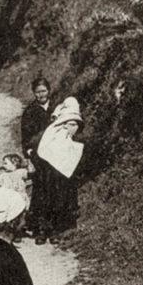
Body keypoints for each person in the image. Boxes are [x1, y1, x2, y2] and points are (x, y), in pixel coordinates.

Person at [32, 97, 84, 245]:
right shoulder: (54, 125)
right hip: (46, 167)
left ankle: (53, 229)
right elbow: (44, 141)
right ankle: (43, 229)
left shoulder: (73, 120)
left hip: (58, 170)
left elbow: (73, 134)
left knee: (56, 198)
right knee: (44, 197)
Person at [21, 77, 52, 240]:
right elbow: (25, 138)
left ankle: (53, 228)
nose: (41, 95)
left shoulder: (56, 109)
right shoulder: (30, 112)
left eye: (44, 91)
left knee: (55, 190)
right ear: (34, 93)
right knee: (40, 190)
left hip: (55, 156)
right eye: (38, 92)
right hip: (39, 156)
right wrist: (29, 157)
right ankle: (39, 228)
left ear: (49, 91)